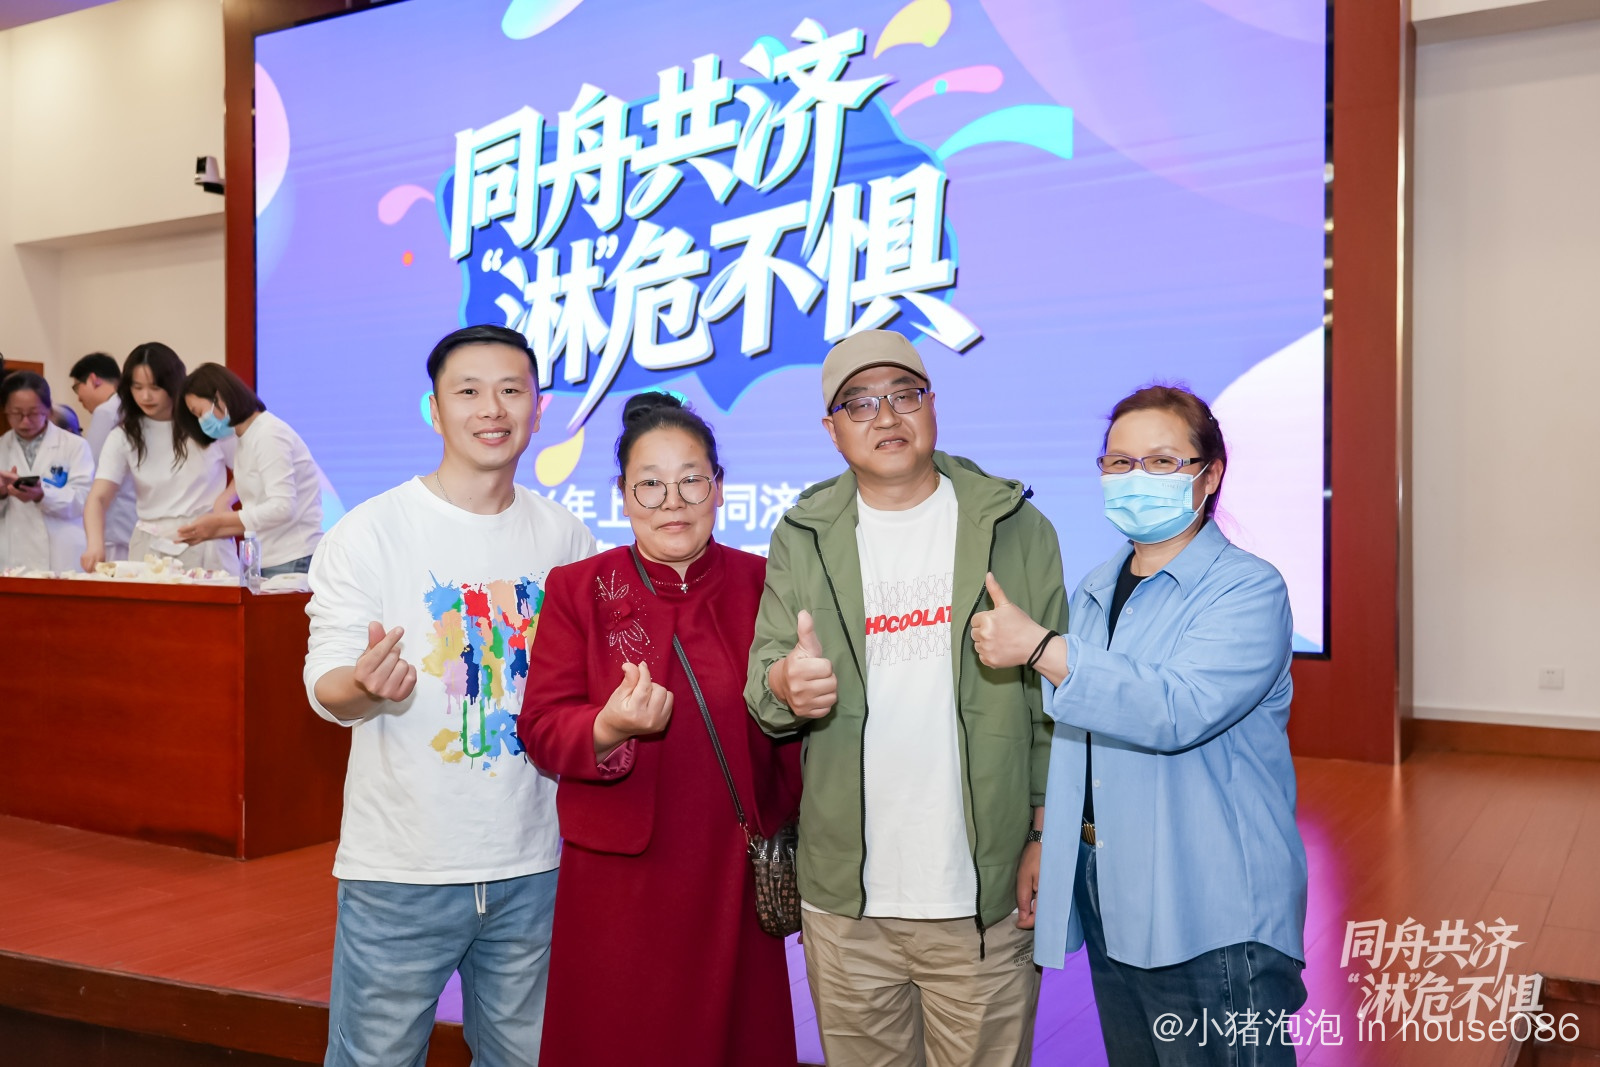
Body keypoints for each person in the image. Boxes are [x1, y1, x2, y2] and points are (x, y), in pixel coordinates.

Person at [746, 330, 1068, 1067]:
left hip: (981, 893)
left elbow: (1054, 700)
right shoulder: (803, 533)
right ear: (831, 430)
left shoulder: (1014, 525)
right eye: (859, 403)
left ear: (933, 405)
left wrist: (1045, 834)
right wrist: (785, 684)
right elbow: (765, 684)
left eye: (904, 394)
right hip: (846, 902)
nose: (886, 415)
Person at [970, 384, 1309, 1065]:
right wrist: (1048, 841)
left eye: (1162, 462)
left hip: (1211, 907)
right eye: (1120, 463)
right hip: (1112, 886)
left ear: (1209, 475)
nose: (1136, 478)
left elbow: (1177, 708)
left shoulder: (1249, 587)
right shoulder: (1097, 587)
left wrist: (1042, 648)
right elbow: (1079, 741)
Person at [303, 324, 595, 1067]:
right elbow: (326, 684)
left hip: (533, 864)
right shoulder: (370, 532)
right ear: (435, 409)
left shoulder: (566, 536)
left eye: (511, 390)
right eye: (468, 391)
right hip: (402, 869)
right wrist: (363, 686)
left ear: (537, 408)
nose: (491, 408)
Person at [519, 393, 802, 1067]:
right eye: (650, 484)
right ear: (622, 495)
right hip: (619, 881)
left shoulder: (766, 584)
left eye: (691, 480)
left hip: (733, 867)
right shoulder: (580, 588)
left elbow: (795, 739)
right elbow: (542, 725)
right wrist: (608, 726)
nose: (672, 501)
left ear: (719, 488)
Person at [81, 343, 238, 573]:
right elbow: (98, 498)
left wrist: (224, 501)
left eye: (155, 387)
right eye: (137, 387)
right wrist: (95, 545)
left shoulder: (207, 423)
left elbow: (248, 471)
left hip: (205, 538)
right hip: (150, 544)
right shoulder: (124, 436)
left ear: (173, 384)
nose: (145, 396)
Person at [174, 363, 323, 578]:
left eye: (200, 413)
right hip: (269, 558)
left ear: (219, 397)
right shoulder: (244, 438)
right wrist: (210, 531)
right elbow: (258, 514)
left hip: (292, 558)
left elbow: (282, 507)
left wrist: (219, 522)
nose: (201, 422)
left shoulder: (269, 434)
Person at [0, 372, 95, 572]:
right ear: (5, 411)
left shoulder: (74, 446)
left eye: (33, 413)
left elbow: (84, 500)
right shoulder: (2, 447)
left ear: (48, 409)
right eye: (16, 413)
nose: (25, 422)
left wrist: (42, 495)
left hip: (63, 554)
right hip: (14, 554)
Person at [71, 352, 137, 560]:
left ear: (93, 379)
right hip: (133, 520)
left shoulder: (106, 411)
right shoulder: (130, 406)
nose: (78, 397)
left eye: (77, 387)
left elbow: (92, 466)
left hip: (114, 520)